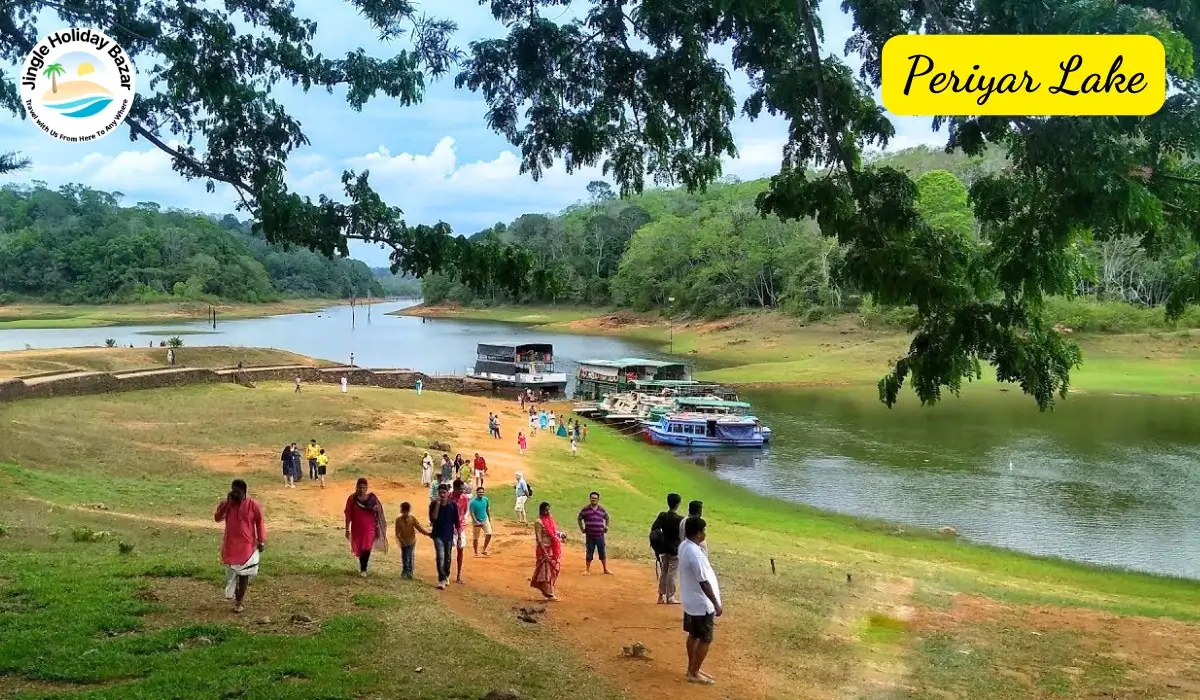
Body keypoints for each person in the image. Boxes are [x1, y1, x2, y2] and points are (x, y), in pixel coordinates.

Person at [679, 517, 721, 685]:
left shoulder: (684, 546)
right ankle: (694, 672)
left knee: (693, 635)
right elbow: (703, 582)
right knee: (705, 638)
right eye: (704, 530)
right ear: (698, 533)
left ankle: (692, 668)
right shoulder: (695, 554)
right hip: (702, 605)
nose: (705, 533)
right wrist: (716, 603)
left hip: (690, 602)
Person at [214, 479, 265, 614]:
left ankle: (239, 601)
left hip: (246, 545)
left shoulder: (253, 505)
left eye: (238, 492)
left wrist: (261, 540)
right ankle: (234, 592)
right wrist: (226, 504)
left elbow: (259, 523)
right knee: (231, 573)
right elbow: (217, 518)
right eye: (233, 491)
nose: (235, 495)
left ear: (244, 492)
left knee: (244, 573)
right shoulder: (227, 504)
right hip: (230, 544)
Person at [344, 478, 387, 577]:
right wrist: (347, 529)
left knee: (367, 547)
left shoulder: (372, 499)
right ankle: (362, 566)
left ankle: (364, 568)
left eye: (364, 488)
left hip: (370, 528)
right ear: (356, 488)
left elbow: (379, 511)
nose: (362, 490)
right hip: (357, 528)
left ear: (367, 488)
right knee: (360, 548)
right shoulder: (352, 499)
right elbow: (348, 514)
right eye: (360, 487)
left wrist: (376, 510)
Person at [650, 493, 685, 604]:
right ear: (678, 504)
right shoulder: (680, 519)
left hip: (664, 548)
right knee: (672, 574)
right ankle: (670, 597)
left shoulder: (663, 516)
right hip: (675, 550)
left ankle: (661, 596)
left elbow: (654, 528)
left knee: (664, 572)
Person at [531, 502, 564, 601]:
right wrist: (544, 552)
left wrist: (561, 535)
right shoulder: (538, 522)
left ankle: (546, 590)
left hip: (552, 549)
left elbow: (553, 532)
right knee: (545, 572)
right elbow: (539, 539)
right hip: (543, 550)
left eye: (548, 510)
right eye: (545, 510)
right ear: (541, 510)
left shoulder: (550, 520)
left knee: (553, 570)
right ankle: (549, 593)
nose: (547, 512)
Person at [428, 483, 458, 589]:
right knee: (440, 557)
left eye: (444, 492)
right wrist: (437, 505)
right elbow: (433, 519)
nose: (442, 495)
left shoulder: (453, 505)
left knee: (447, 557)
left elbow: (456, 521)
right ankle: (441, 579)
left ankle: (446, 575)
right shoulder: (433, 504)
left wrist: (457, 536)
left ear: (448, 493)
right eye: (440, 493)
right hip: (437, 534)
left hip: (449, 534)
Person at [577, 491, 611, 575]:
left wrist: (607, 527)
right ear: (590, 499)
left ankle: (605, 569)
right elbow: (579, 518)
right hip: (590, 535)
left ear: (598, 499)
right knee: (589, 552)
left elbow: (607, 518)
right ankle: (587, 570)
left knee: (602, 552)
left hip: (600, 535)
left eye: (595, 498)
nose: (594, 500)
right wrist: (582, 528)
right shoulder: (585, 509)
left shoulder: (601, 509)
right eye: (592, 498)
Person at [395, 501, 430, 580]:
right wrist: (400, 539)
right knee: (405, 556)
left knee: (410, 555)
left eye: (406, 512)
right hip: (403, 541)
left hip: (411, 541)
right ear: (401, 511)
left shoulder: (412, 518)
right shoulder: (398, 520)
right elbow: (397, 532)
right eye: (404, 512)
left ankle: (409, 571)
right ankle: (405, 570)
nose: (405, 513)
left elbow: (419, 527)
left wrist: (427, 533)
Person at [452, 479, 471, 583]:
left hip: (460, 527)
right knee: (448, 551)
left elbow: (464, 512)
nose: (462, 491)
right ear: (455, 488)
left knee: (460, 549)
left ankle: (458, 575)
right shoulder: (448, 498)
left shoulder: (464, 498)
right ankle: (445, 574)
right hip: (450, 528)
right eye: (460, 489)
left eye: (463, 489)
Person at [469, 486, 493, 556]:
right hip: (476, 521)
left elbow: (487, 509)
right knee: (476, 537)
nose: (481, 493)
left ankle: (484, 550)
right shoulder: (473, 502)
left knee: (489, 533)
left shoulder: (485, 499)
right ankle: (476, 552)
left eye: (482, 492)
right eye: (479, 492)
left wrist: (489, 517)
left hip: (485, 519)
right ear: (476, 493)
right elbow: (472, 513)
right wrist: (476, 521)